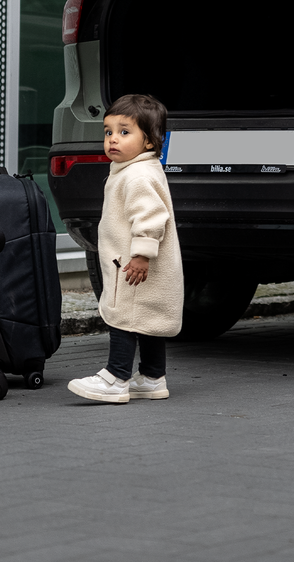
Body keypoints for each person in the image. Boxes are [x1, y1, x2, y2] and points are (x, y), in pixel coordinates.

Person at [67, 94, 184, 403]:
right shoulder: (136, 169)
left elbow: (151, 216)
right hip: (135, 263)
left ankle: (116, 378)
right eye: (108, 132)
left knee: (124, 317)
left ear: (149, 142)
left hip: (133, 266)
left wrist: (142, 255)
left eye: (124, 132)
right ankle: (151, 377)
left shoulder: (137, 175)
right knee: (147, 320)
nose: (113, 140)